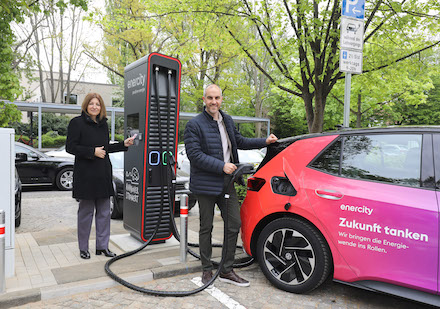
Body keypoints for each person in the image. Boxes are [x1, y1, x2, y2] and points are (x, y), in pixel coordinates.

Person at [184, 84, 278, 286]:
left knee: (234, 224)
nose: (214, 102)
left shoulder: (226, 120)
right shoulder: (194, 125)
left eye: (217, 98)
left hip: (227, 182)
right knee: (206, 227)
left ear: (221, 99)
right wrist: (221, 166)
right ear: (204, 100)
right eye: (210, 98)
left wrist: (265, 141)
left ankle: (227, 270)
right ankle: (207, 269)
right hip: (205, 184)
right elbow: (195, 155)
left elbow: (240, 141)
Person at [66, 93, 136, 259]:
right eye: (92, 104)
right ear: (86, 105)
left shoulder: (103, 124)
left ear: (101, 107)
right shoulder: (77, 123)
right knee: (85, 214)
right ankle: (84, 248)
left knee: (104, 213)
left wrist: (123, 144)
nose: (95, 107)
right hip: (86, 176)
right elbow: (70, 147)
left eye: (97, 104)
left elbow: (104, 148)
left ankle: (102, 247)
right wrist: (92, 152)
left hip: (103, 174)